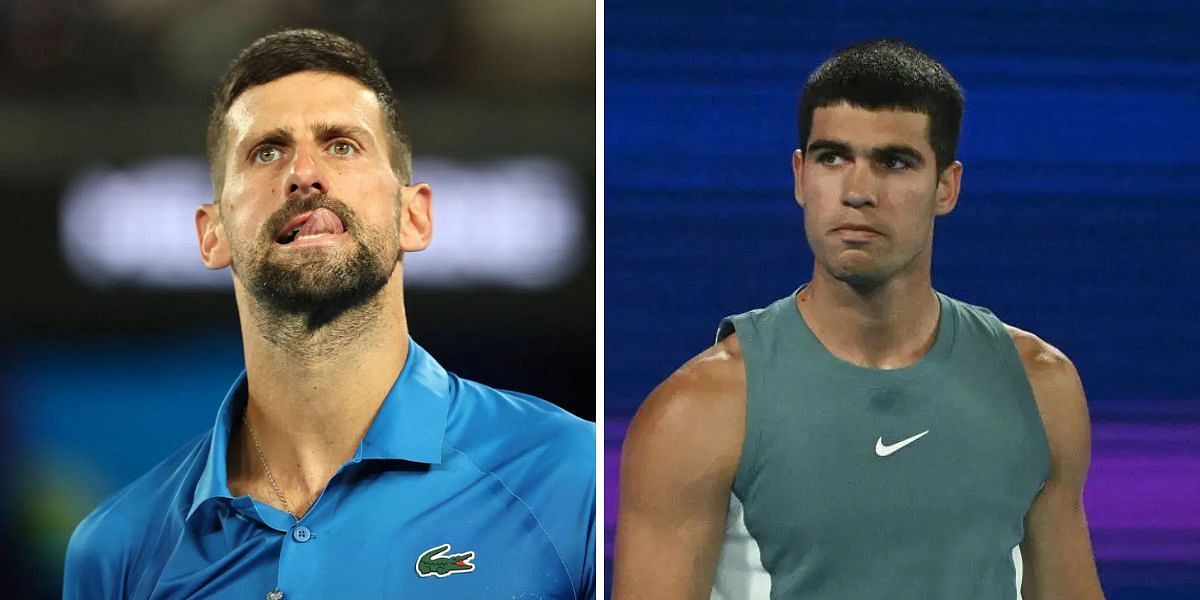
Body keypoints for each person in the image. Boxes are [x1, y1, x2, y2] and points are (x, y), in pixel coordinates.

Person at [63, 29, 594, 599]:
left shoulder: (566, 477)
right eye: (267, 151)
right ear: (212, 233)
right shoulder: (118, 548)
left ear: (413, 216)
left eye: (342, 144)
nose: (304, 173)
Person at [612, 39, 1104, 599]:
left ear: (947, 186)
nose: (857, 192)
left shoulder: (1041, 385)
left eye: (893, 162)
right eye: (832, 158)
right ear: (800, 176)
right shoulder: (697, 412)